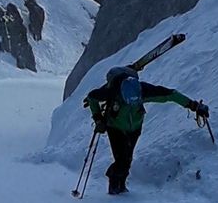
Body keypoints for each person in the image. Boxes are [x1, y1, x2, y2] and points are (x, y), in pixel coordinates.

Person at [83, 66, 210, 195]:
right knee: (122, 159)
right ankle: (114, 184)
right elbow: (92, 97)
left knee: (128, 158)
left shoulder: (143, 90)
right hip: (115, 127)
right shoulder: (111, 91)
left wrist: (195, 106)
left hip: (135, 127)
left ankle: (120, 185)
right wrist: (98, 119)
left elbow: (170, 94)